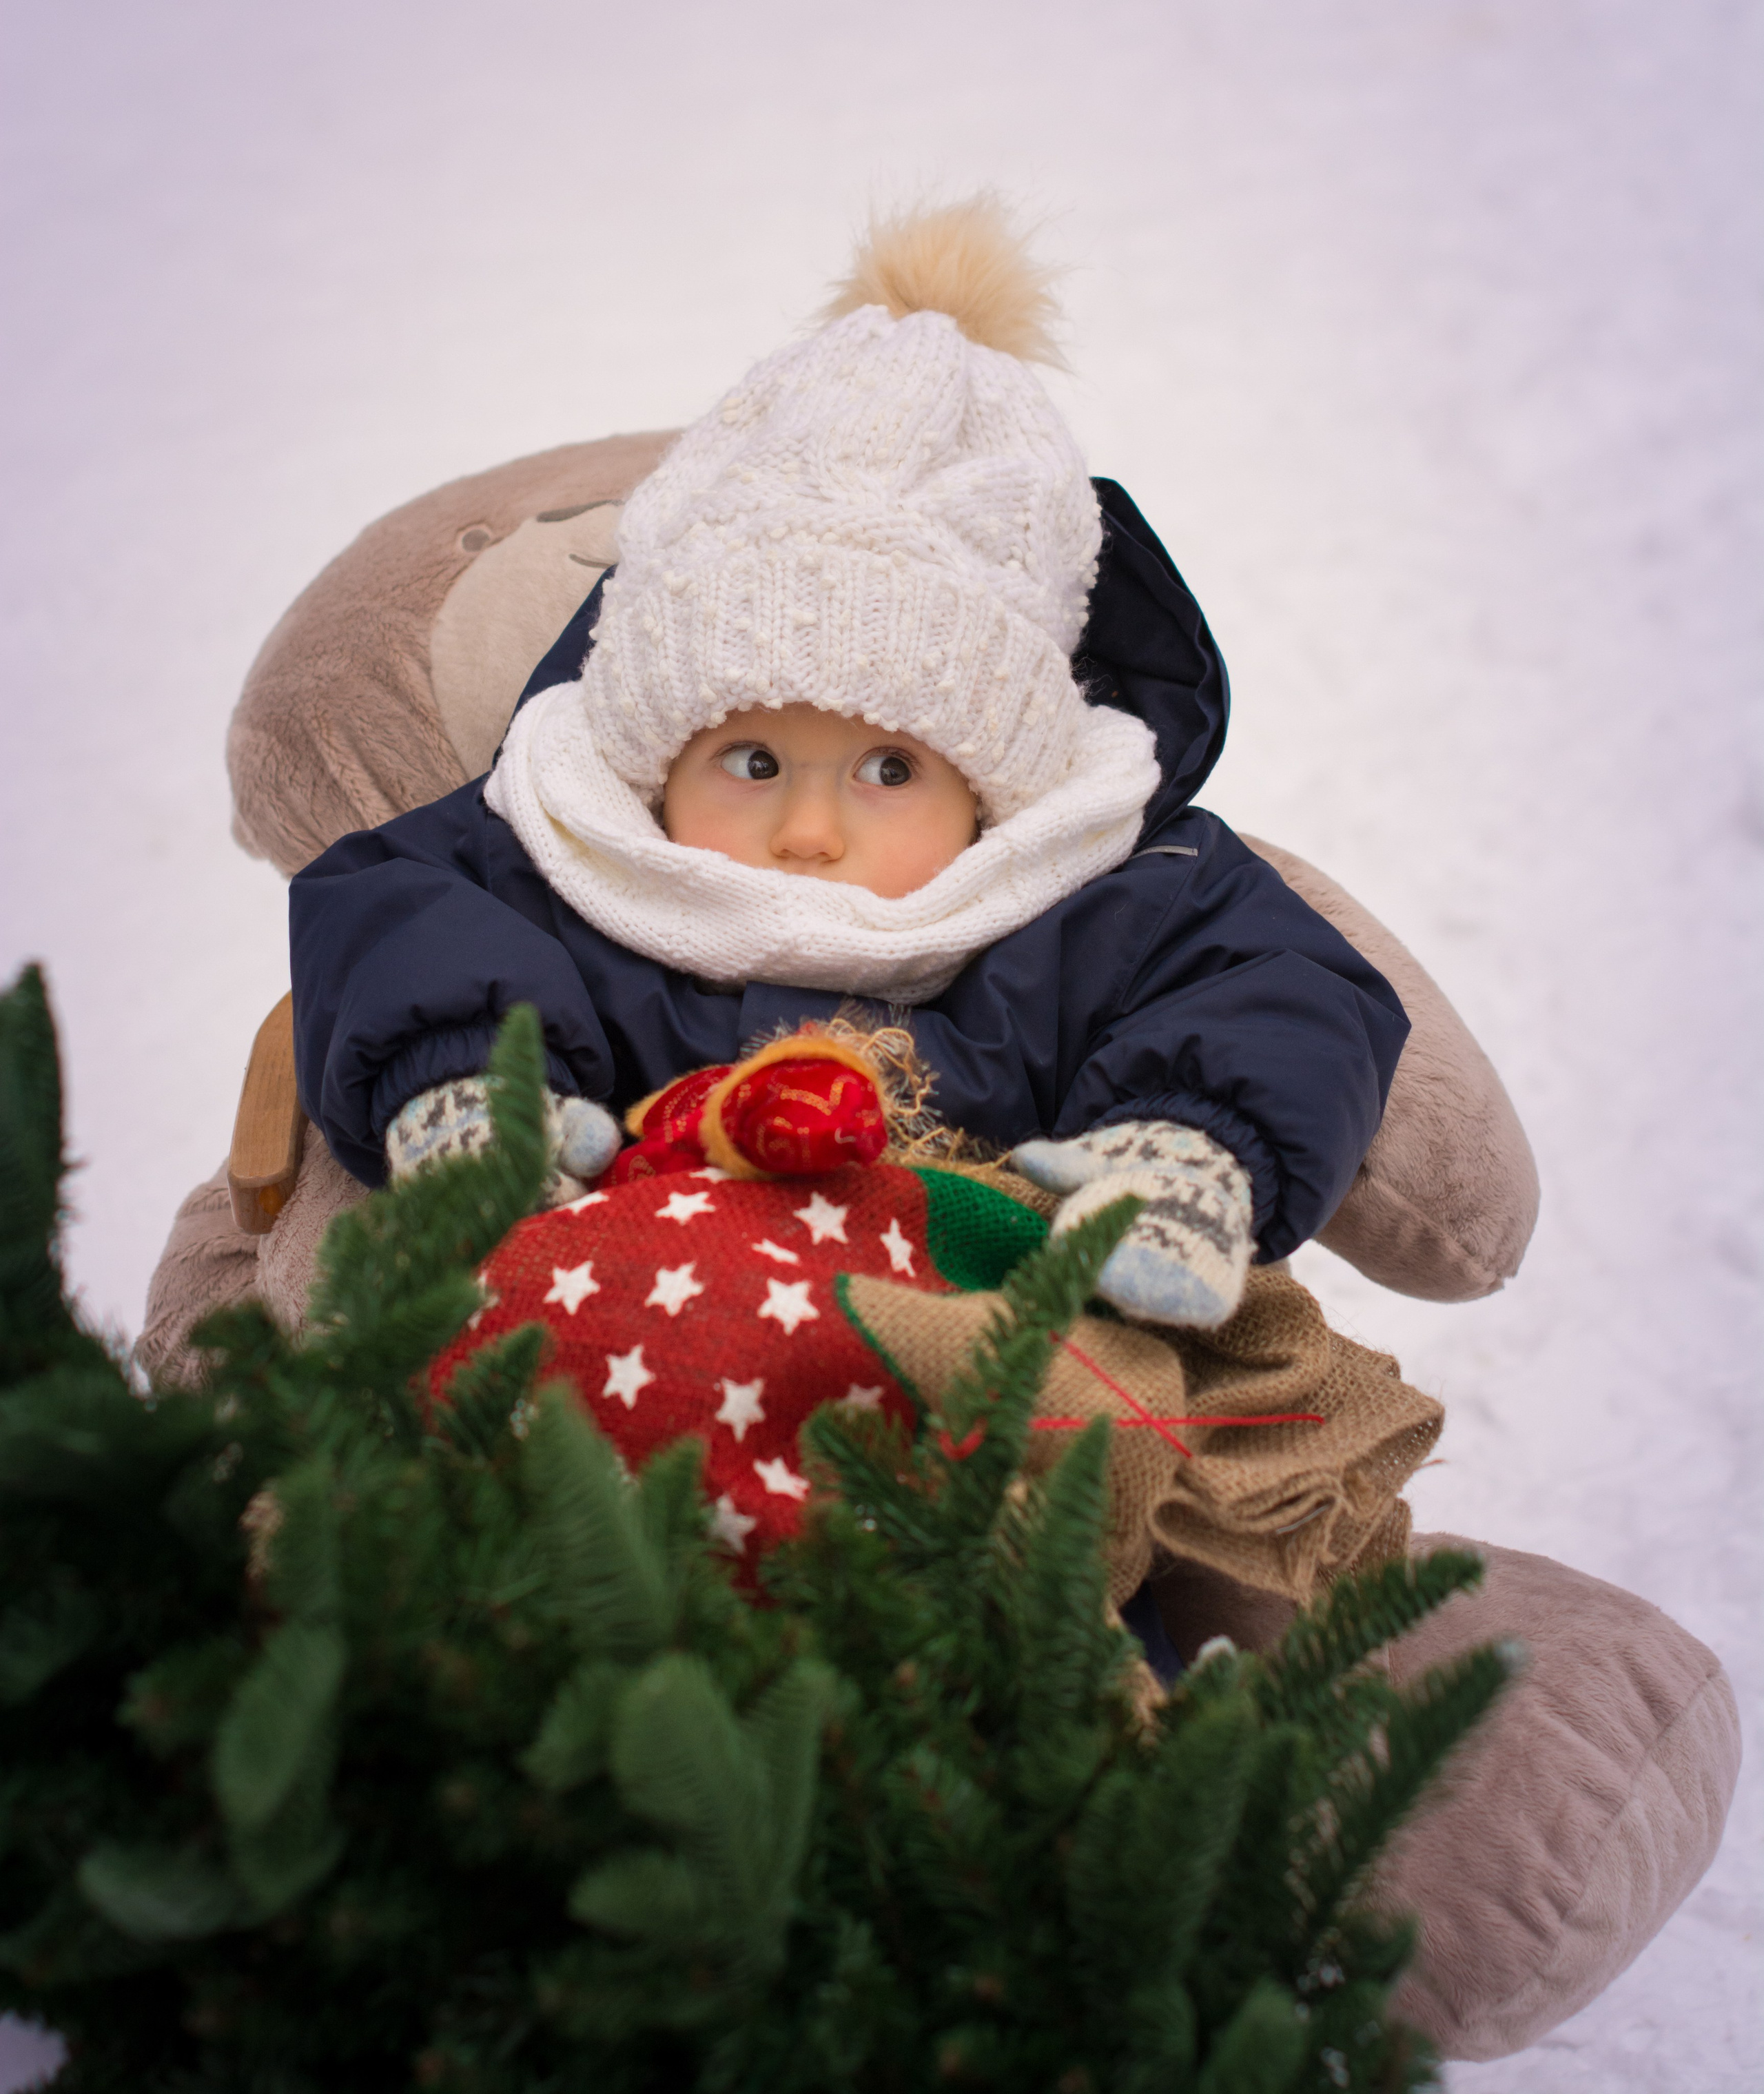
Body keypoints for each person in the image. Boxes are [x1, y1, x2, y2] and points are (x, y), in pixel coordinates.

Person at [290, 198, 1407, 1333]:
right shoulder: (560, 863)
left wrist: (1189, 1143)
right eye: (754, 758)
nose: (810, 832)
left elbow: (1282, 991)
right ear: (652, 758)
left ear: (989, 793)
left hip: (987, 1386)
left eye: (888, 772)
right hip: (612, 1366)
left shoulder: (1098, 906)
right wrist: (469, 1085)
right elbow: (396, 913)